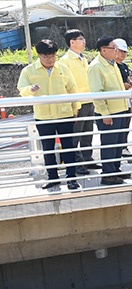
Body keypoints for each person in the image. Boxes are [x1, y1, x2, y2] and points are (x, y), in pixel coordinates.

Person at [17, 40, 80, 190]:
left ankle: (72, 177)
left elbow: (72, 89)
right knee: (48, 148)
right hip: (44, 116)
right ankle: (53, 178)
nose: (50, 59)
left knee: (68, 147)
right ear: (39, 55)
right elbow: (21, 88)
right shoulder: (29, 70)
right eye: (46, 56)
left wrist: (75, 108)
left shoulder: (63, 68)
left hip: (65, 114)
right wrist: (30, 89)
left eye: (53, 56)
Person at [88, 36, 131, 185]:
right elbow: (97, 93)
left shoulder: (112, 64)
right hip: (109, 113)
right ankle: (108, 174)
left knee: (119, 143)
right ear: (103, 50)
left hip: (120, 109)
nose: (117, 51)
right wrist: (105, 113)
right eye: (114, 48)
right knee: (109, 144)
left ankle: (115, 170)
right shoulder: (96, 67)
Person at [59, 29, 95, 175]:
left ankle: (87, 159)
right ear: (72, 42)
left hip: (89, 100)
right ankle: (77, 164)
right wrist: (73, 105)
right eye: (81, 39)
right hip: (77, 102)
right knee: (75, 135)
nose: (84, 41)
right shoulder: (65, 61)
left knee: (87, 134)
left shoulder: (83, 58)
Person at [114, 38, 132, 158]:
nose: (123, 54)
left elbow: (128, 79)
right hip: (118, 99)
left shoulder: (124, 66)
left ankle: (124, 145)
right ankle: (120, 147)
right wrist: (125, 86)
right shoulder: (113, 66)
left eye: (125, 52)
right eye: (121, 51)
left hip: (127, 99)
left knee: (126, 124)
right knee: (120, 125)